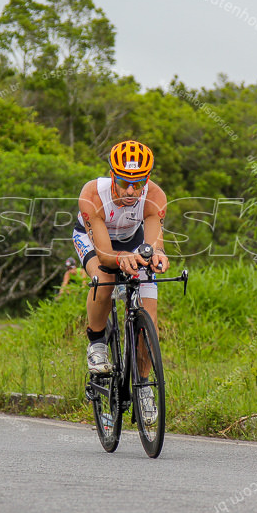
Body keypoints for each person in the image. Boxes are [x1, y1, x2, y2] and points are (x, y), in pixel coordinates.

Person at [72, 140, 169, 422]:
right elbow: (104, 254)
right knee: (104, 280)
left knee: (148, 321)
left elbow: (154, 243)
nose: (131, 191)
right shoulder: (93, 194)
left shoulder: (156, 197)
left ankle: (144, 388)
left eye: (137, 183)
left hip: (132, 241)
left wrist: (158, 256)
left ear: (146, 180)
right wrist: (120, 260)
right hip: (94, 240)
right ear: (112, 175)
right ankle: (97, 341)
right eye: (125, 182)